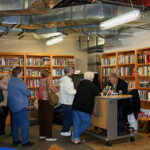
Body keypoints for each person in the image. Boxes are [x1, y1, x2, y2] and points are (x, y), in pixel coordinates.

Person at [8, 67, 34, 147]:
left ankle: (15, 140)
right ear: (19, 73)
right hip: (21, 106)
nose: (23, 74)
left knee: (15, 124)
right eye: (22, 73)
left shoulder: (10, 81)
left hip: (13, 106)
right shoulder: (20, 82)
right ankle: (25, 142)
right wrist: (29, 92)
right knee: (24, 124)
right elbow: (27, 93)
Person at [72, 71, 99, 144]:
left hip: (75, 106)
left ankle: (75, 139)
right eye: (93, 78)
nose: (93, 79)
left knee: (76, 123)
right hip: (84, 107)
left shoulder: (80, 84)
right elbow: (97, 93)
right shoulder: (91, 85)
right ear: (91, 78)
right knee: (87, 122)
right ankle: (75, 135)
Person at [38, 70, 58, 142]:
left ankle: (42, 135)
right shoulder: (48, 81)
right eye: (50, 74)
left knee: (42, 118)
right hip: (47, 101)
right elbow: (55, 90)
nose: (50, 75)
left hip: (40, 101)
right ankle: (48, 137)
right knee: (49, 119)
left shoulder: (40, 80)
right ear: (48, 75)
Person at [59, 66, 76, 136]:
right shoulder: (67, 80)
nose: (72, 72)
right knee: (68, 117)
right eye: (72, 71)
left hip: (64, 100)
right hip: (68, 101)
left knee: (66, 117)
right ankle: (65, 131)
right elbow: (68, 91)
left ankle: (65, 130)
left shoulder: (63, 79)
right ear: (68, 72)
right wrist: (76, 91)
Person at [0, 71, 11, 135]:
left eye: (12, 71)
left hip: (12, 100)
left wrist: (6, 85)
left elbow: (14, 87)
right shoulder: (5, 77)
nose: (10, 72)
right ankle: (1, 130)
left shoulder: (16, 78)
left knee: (13, 117)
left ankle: (13, 132)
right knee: (2, 116)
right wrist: (8, 87)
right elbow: (1, 85)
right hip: (5, 100)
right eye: (10, 71)